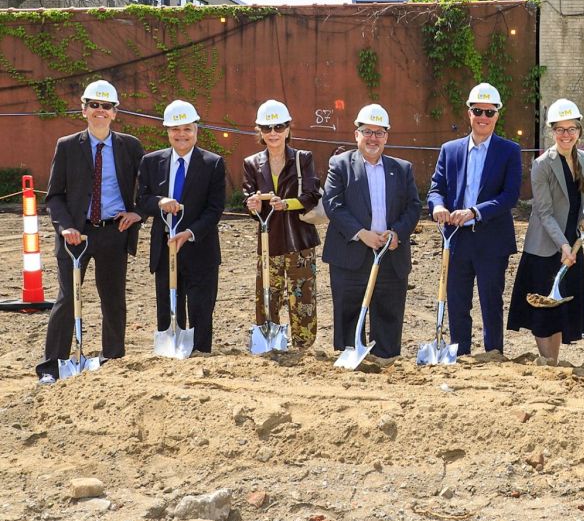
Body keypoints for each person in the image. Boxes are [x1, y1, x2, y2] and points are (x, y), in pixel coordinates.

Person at [37, 80, 144, 383]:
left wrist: (137, 213)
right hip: (76, 236)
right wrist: (66, 226)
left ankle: (113, 358)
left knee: (113, 298)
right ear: (84, 109)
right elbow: (54, 195)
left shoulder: (130, 146)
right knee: (67, 298)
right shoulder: (68, 146)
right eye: (94, 105)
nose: (100, 111)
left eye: (106, 106)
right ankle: (52, 366)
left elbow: (148, 187)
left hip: (113, 231)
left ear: (114, 113)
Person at [322, 104, 421, 365]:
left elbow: (413, 206)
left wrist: (398, 233)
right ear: (357, 134)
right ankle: (350, 358)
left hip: (390, 254)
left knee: (388, 310)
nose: (373, 138)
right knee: (348, 310)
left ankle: (385, 359)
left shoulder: (402, 168)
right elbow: (333, 204)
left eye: (379, 133)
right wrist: (361, 233)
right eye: (367, 131)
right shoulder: (340, 165)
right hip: (350, 254)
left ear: (387, 136)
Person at [428, 83, 523, 355]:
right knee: (457, 301)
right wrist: (437, 207)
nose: (483, 117)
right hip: (456, 239)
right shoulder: (450, 150)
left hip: (492, 239)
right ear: (469, 113)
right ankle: (460, 353)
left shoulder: (509, 151)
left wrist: (474, 212)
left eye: (489, 112)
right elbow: (436, 188)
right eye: (478, 111)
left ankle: (494, 354)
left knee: (491, 301)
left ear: (497, 115)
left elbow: (509, 196)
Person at [507, 99, 584, 364]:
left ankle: (552, 363)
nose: (566, 135)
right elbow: (544, 212)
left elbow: (579, 201)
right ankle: (547, 362)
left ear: (579, 131)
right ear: (552, 131)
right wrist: (563, 246)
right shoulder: (542, 164)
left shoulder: (582, 158)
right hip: (546, 247)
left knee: (559, 311)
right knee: (544, 309)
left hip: (570, 242)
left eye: (571, 129)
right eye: (560, 129)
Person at [135, 100, 226, 355]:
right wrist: (160, 202)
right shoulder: (151, 162)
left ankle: (199, 353)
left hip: (200, 248)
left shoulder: (213, 163)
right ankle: (171, 351)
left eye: (187, 128)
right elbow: (141, 200)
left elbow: (214, 209)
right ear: (167, 131)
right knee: (168, 304)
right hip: (166, 248)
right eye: (176, 129)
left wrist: (190, 233)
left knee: (200, 307)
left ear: (196, 129)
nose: (181, 135)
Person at [242, 100, 322, 353]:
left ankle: (303, 345)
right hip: (270, 239)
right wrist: (253, 203)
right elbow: (248, 196)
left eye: (278, 127)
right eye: (267, 128)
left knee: (302, 297)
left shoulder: (302, 159)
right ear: (259, 132)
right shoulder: (252, 163)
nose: (273, 133)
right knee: (267, 293)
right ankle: (269, 342)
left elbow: (312, 195)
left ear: (288, 129)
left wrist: (286, 204)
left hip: (300, 240)